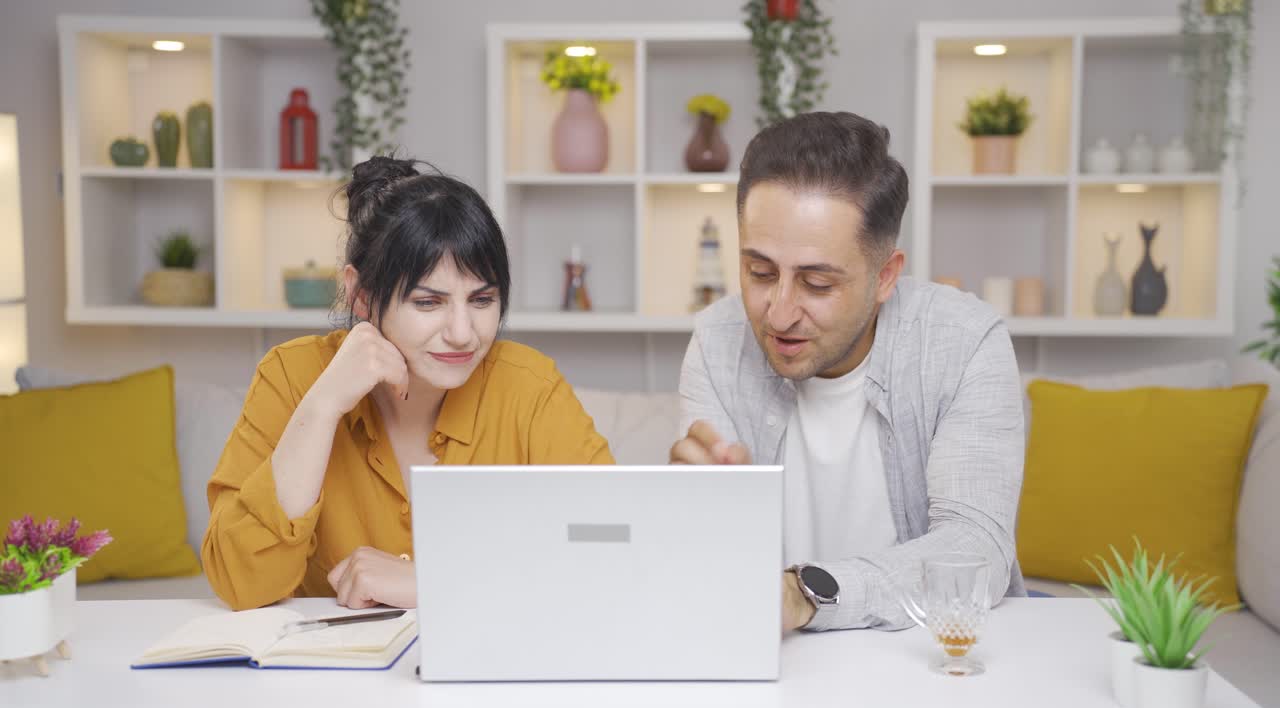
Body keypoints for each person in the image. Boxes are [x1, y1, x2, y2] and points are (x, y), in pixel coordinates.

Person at [203, 156, 614, 611]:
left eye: (482, 299)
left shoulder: (530, 389)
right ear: (361, 295)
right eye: (427, 302)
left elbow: (611, 553)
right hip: (328, 678)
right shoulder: (291, 376)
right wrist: (322, 408)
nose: (463, 332)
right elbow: (242, 583)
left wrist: (435, 584)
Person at [669, 112, 1026, 632]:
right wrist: (694, 511)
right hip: (776, 666)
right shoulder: (717, 342)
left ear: (885, 276)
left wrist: (806, 594)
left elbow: (975, 549)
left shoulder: (965, 342)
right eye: (760, 273)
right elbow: (709, 567)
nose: (780, 312)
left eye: (816, 283)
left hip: (929, 660)